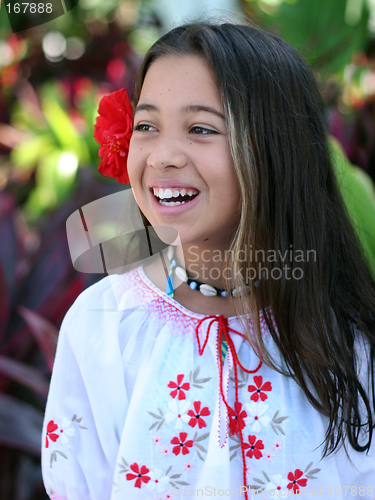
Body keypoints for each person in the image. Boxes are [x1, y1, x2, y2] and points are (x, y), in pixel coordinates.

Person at [41, 21, 375, 500]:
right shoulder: (104, 327)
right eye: (147, 126)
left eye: (201, 129)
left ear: (276, 151)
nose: (162, 156)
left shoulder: (349, 342)